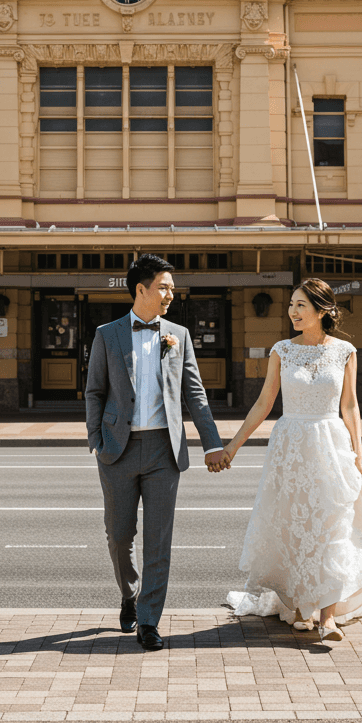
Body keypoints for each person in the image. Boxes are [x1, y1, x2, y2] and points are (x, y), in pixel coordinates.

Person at [222, 278, 362, 640]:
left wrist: (359, 452)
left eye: (301, 305)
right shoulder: (281, 351)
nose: (292, 311)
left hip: (331, 444)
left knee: (333, 526)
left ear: (322, 310)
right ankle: (302, 606)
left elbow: (349, 405)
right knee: (294, 526)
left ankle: (328, 615)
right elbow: (263, 403)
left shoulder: (345, 351)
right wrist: (233, 446)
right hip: (290, 447)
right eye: (291, 305)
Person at [85, 253, 229, 652]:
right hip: (117, 449)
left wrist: (212, 441)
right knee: (119, 535)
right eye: (163, 286)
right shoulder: (107, 334)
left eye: (171, 287)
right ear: (141, 289)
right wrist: (96, 439)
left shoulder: (178, 335)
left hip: (165, 450)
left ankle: (149, 619)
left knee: (159, 540)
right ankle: (129, 593)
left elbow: (194, 393)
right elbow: (94, 391)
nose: (170, 294)